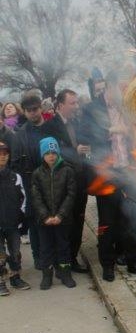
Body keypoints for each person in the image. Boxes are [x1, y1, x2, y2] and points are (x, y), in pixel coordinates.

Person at [79, 71, 136, 282]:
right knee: (107, 223)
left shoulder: (127, 108)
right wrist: (109, 130)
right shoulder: (92, 109)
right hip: (107, 174)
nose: (124, 93)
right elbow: (84, 136)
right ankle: (107, 265)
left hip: (129, 171)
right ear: (109, 87)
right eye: (121, 89)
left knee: (132, 219)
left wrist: (129, 132)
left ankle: (133, 261)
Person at [42, 89, 90, 273]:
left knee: (78, 221)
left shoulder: (76, 122)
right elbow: (51, 153)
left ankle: (73, 258)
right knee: (65, 223)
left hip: (80, 181)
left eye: (77, 102)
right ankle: (62, 261)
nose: (76, 106)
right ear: (60, 105)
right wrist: (74, 151)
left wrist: (87, 151)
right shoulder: (50, 126)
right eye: (72, 103)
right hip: (62, 184)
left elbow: (83, 145)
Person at [32, 137, 77, 290]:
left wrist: (60, 215)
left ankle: (65, 274)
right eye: (47, 153)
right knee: (46, 248)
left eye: (53, 152)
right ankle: (47, 276)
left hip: (62, 219)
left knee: (63, 247)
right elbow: (36, 197)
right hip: (44, 220)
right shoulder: (37, 173)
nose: (51, 156)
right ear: (42, 155)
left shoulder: (68, 171)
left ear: (58, 153)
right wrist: (45, 216)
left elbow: (71, 194)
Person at [11, 91, 48, 269]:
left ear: (40, 108)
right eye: (29, 110)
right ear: (24, 112)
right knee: (34, 222)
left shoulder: (51, 128)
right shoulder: (20, 135)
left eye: (35, 109)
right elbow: (15, 163)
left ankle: (56, 258)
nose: (33, 113)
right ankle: (38, 257)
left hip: (52, 181)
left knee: (53, 220)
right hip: (30, 182)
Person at [0, 140, 30, 295]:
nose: (3, 156)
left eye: (5, 154)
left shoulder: (15, 177)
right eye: (0, 154)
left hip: (13, 222)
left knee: (15, 252)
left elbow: (23, 198)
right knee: (0, 254)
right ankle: (0, 281)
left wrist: (21, 218)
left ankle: (15, 277)